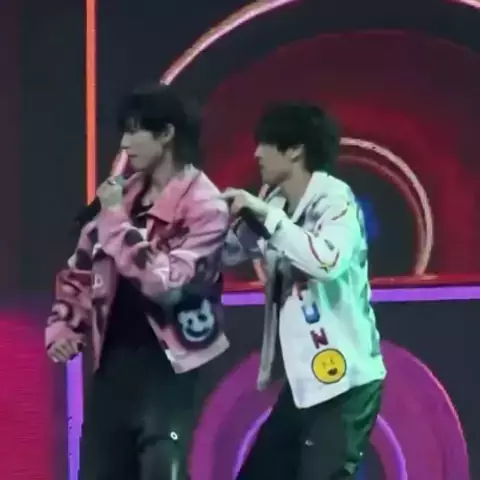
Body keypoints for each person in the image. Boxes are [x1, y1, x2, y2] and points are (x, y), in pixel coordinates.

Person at [45, 83, 230, 480]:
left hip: (168, 366)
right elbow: (81, 267)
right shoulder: (120, 197)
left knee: (160, 467)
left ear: (166, 134)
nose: (125, 144)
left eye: (134, 132)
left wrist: (115, 220)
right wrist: (65, 325)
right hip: (113, 364)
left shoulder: (206, 207)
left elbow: (165, 285)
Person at [222, 103, 386, 479]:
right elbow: (227, 253)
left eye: (266, 143)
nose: (256, 153)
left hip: (347, 382)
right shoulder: (275, 202)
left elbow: (327, 261)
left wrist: (267, 217)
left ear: (295, 149)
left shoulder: (336, 199)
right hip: (305, 384)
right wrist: (212, 216)